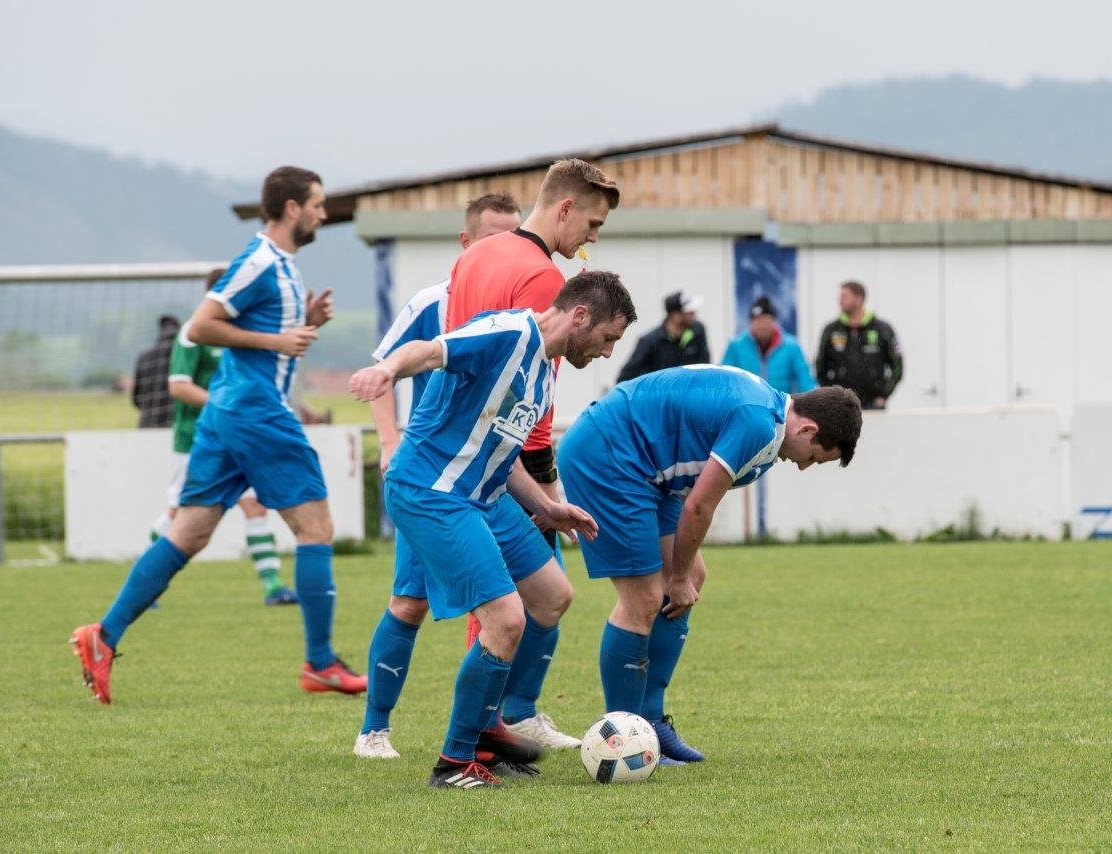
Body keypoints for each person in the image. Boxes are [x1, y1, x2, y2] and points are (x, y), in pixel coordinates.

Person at [70, 165, 364, 704]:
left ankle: (103, 637)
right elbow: (200, 326)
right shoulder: (259, 262)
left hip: (229, 411)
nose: (324, 214)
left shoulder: (282, 266)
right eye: (317, 204)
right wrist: (277, 341)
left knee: (188, 534)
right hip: (255, 411)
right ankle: (320, 662)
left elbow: (272, 340)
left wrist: (307, 324)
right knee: (316, 528)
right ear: (292, 208)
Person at [349, 270, 637, 789]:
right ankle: (456, 761)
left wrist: (548, 507)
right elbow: (428, 351)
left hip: (484, 495)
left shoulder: (542, 372)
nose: (608, 352)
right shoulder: (508, 332)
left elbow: (502, 454)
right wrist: (386, 369)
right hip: (431, 491)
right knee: (504, 619)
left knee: (551, 596)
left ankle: (489, 723)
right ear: (580, 316)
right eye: (608, 337)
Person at [557, 367, 861, 764]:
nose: (805, 466)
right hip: (608, 454)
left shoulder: (767, 415)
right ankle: (622, 738)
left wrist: (684, 575)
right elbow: (699, 505)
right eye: (815, 458)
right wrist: (677, 576)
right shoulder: (758, 423)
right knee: (644, 598)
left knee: (693, 577)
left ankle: (650, 722)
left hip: (645, 468)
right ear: (807, 429)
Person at [443, 158, 621, 751]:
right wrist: (546, 490)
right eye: (592, 224)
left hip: (454, 453)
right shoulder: (545, 279)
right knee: (537, 597)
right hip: (507, 463)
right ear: (565, 208)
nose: (592, 239)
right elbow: (532, 401)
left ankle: (492, 726)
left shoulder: (473, 258)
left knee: (504, 601)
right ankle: (503, 721)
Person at [356, 192, 525, 762]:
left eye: (514, 239)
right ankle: (374, 729)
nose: (505, 250)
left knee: (535, 596)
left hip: (492, 481)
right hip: (436, 481)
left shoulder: (518, 308)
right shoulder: (434, 302)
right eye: (493, 238)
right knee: (411, 603)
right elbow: (384, 369)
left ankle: (508, 720)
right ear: (465, 243)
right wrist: (389, 441)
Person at [149, 268, 296, 606]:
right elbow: (179, 386)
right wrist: (225, 406)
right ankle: (147, 580)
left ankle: (273, 586)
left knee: (255, 505)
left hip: (237, 437)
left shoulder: (240, 333)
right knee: (178, 512)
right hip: (196, 439)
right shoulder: (193, 332)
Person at [815, 280, 903, 409]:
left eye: (844, 296)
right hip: (841, 406)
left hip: (874, 405)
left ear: (858, 299)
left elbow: (897, 366)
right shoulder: (831, 330)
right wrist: (832, 396)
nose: (839, 301)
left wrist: (883, 396)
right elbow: (820, 366)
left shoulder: (882, 329)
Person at [721, 296, 817, 393]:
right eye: (758, 320)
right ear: (751, 322)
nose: (762, 325)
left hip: (781, 402)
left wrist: (807, 401)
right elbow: (723, 380)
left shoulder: (792, 347)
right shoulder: (735, 346)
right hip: (745, 402)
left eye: (766, 319)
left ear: (774, 321)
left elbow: (806, 382)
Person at [615, 291, 710, 382]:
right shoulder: (649, 341)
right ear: (675, 315)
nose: (694, 314)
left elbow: (705, 367)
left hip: (690, 392)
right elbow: (625, 377)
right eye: (690, 312)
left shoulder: (698, 330)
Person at [131, 315, 179, 427]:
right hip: (175, 422)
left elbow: (136, 397)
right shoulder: (183, 355)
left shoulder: (144, 357)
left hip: (148, 422)